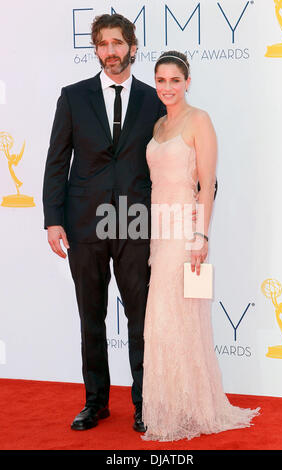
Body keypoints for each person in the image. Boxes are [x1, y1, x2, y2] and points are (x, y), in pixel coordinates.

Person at [42, 13, 166, 432]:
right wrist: (53, 220)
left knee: (140, 317)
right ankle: (95, 401)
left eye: (117, 43)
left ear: (132, 46)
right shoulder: (73, 97)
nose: (110, 52)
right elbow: (57, 162)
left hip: (135, 219)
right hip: (85, 219)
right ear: (95, 50)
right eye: (102, 44)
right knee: (90, 315)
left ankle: (144, 403)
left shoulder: (154, 100)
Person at [141, 51, 260, 442]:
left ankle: (193, 407)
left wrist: (201, 235)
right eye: (161, 81)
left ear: (187, 82)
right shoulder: (158, 125)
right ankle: (172, 406)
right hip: (159, 232)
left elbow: (206, 183)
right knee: (162, 320)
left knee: (181, 317)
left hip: (185, 232)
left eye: (175, 80)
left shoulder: (199, 120)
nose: (167, 87)